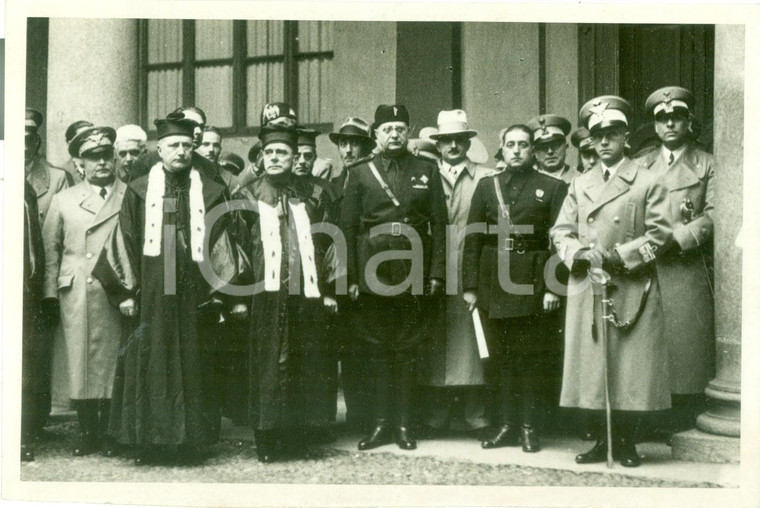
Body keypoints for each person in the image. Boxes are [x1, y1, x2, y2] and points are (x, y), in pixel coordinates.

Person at [93, 115, 236, 464]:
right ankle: (149, 442)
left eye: (188, 145)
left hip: (195, 298)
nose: (181, 151)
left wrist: (219, 292)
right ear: (159, 150)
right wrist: (126, 292)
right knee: (152, 362)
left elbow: (222, 244)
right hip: (152, 297)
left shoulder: (212, 191)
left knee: (194, 364)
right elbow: (124, 240)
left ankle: (190, 444)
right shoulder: (140, 191)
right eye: (173, 145)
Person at [550, 95, 672, 467]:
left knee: (629, 368)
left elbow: (660, 234)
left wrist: (621, 256)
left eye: (612, 134)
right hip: (590, 283)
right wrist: (578, 254)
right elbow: (560, 230)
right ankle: (602, 441)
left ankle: (627, 442)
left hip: (631, 285)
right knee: (595, 366)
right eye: (598, 135)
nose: (604, 142)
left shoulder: (648, 180)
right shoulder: (580, 182)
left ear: (625, 138)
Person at [341, 104, 447, 451]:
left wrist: (436, 272)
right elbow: (347, 228)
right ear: (376, 135)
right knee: (378, 350)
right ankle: (380, 424)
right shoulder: (359, 172)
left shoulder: (427, 169)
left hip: (414, 265)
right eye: (388, 129)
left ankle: (403, 425)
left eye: (401, 128)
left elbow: (441, 227)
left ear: (408, 132)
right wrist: (351, 278)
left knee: (407, 349)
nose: (395, 134)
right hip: (373, 267)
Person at [229, 125, 338, 462]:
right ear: (262, 157)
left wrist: (330, 287)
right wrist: (238, 296)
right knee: (268, 364)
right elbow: (236, 247)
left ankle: (296, 436)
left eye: (283, 153)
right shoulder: (247, 195)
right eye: (270, 153)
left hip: (305, 293)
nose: (276, 158)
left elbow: (328, 241)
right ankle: (266, 437)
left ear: (294, 159)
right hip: (265, 294)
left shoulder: (312, 194)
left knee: (304, 361)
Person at [462, 124, 567, 453]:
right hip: (494, 281)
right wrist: (470, 287)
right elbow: (473, 238)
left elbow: (559, 242)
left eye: (524, 145)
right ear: (502, 149)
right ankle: (505, 424)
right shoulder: (486, 186)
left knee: (530, 359)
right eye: (511, 145)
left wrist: (553, 287)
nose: (517, 150)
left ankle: (528, 427)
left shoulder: (552, 187)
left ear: (533, 150)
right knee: (500, 360)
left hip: (533, 281)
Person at [42, 126, 126, 457]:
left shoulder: (129, 195)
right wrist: (50, 295)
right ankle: (87, 431)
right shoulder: (63, 200)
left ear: (114, 158)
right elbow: (51, 252)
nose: (102, 163)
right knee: (81, 364)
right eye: (93, 157)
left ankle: (109, 432)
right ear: (81, 163)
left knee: (110, 363)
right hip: (77, 292)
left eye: (106, 155)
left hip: (116, 291)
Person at [640, 86, 716, 438]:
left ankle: (685, 417)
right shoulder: (641, 164)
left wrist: (681, 237)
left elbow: (716, 212)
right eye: (662, 119)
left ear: (688, 121)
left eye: (676, 117)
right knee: (648, 344)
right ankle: (650, 418)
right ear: (655, 127)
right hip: (647, 266)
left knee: (686, 344)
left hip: (686, 266)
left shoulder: (708, 163)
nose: (669, 124)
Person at [417, 109, 496, 439]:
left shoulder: (486, 176)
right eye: (445, 140)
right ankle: (436, 413)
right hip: (433, 268)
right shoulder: (425, 174)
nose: (452, 146)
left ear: (467, 142)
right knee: (435, 342)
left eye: (458, 140)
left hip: (472, 265)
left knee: (473, 342)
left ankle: (476, 414)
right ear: (438, 144)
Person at [25, 107, 72, 438]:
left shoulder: (56, 179)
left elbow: (58, 236)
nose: (25, 139)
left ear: (37, 138)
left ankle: (33, 419)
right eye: (19, 132)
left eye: (30, 133)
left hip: (38, 278)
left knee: (36, 351)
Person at [21, 181, 45, 461]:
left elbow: (33, 245)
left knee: (20, 363)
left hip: (20, 286)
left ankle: (19, 436)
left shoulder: (24, 189)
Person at [527, 114, 580, 184]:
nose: (550, 152)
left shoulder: (579, 179)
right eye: (543, 147)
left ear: (566, 147)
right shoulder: (528, 182)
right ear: (535, 152)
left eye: (555, 146)